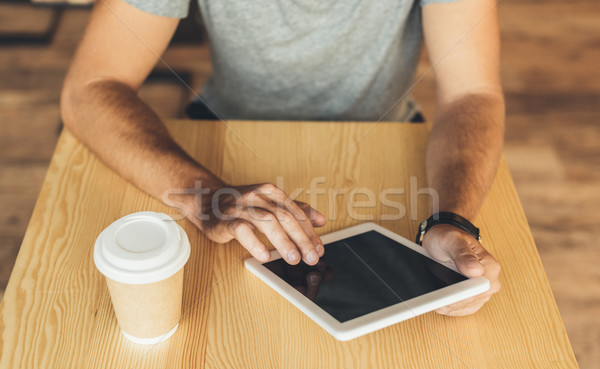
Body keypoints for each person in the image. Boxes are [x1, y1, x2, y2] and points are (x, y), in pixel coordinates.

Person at [61, 0, 503, 316]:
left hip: (385, 133)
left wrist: (452, 221)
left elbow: (473, 92)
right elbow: (90, 89)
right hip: (220, 133)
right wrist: (205, 197)